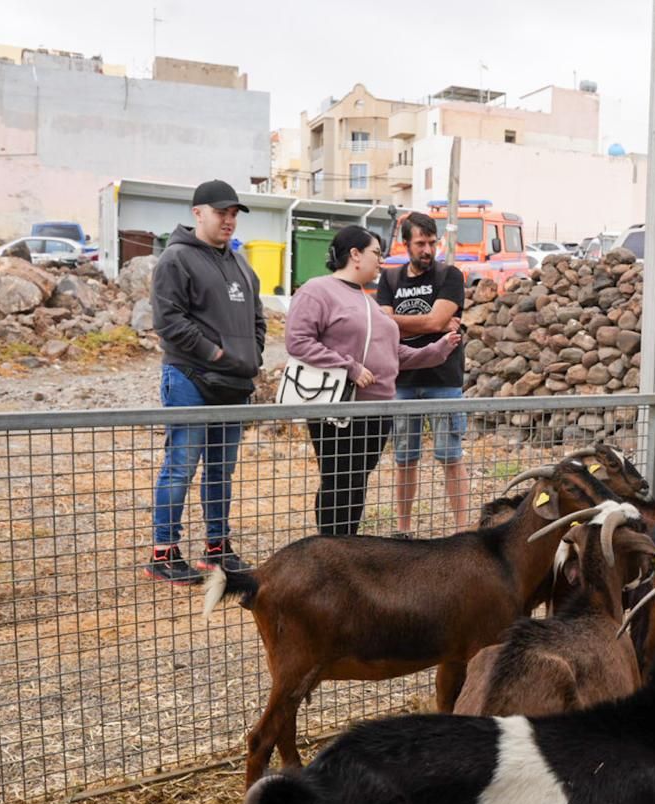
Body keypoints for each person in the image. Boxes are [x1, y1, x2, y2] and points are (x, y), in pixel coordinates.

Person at [284, 226, 462, 537]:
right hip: (338, 407)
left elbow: (392, 354)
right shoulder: (318, 290)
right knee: (339, 479)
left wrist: (437, 350)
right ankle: (331, 549)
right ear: (354, 254)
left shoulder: (366, 300)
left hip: (376, 410)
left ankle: (345, 546)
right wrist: (349, 367)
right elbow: (297, 341)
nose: (380, 261)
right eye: (376, 253)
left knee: (357, 479)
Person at [146, 179, 265, 584]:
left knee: (220, 470)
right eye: (221, 212)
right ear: (198, 213)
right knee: (180, 466)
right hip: (189, 378)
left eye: (233, 213)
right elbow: (169, 322)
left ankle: (217, 548)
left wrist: (253, 355)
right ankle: (164, 552)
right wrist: (216, 354)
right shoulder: (176, 259)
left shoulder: (240, 264)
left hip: (233, 383)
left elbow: (257, 320)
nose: (229, 220)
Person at [377, 211, 471, 534]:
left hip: (443, 381)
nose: (427, 250)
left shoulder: (450, 276)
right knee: (404, 458)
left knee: (451, 456)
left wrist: (400, 322)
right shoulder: (389, 280)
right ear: (406, 245)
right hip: (402, 381)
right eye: (420, 243)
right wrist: (432, 320)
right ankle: (403, 530)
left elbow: (426, 322)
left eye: (432, 243)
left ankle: (463, 532)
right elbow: (386, 325)